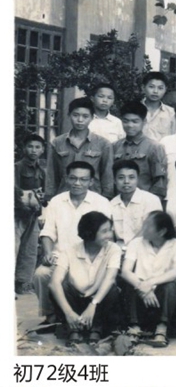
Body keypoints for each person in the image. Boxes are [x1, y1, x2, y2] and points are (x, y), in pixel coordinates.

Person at [34, 161, 112, 326]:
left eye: (83, 179)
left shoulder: (101, 202)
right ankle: (51, 316)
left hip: (90, 259)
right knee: (41, 274)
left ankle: (88, 317)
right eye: (73, 178)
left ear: (91, 181)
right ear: (66, 178)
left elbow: (105, 235)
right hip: (61, 258)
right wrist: (48, 253)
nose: (77, 183)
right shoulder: (56, 201)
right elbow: (48, 232)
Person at [49, 211, 122, 346]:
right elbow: (54, 283)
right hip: (75, 301)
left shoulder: (113, 249)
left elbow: (110, 278)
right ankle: (73, 330)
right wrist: (69, 312)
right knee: (61, 286)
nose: (110, 235)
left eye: (110, 230)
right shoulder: (70, 251)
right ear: (90, 233)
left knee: (111, 288)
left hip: (98, 301)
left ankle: (96, 329)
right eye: (104, 231)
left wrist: (93, 304)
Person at [119, 211, 176, 348]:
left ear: (161, 231)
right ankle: (135, 327)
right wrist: (142, 287)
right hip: (139, 298)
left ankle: (162, 329)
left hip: (163, 299)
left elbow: (175, 272)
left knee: (171, 285)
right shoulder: (136, 243)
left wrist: (149, 283)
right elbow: (125, 271)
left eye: (148, 226)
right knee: (130, 283)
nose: (143, 228)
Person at [45, 97, 114, 200]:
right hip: (64, 198)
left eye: (85, 116)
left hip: (93, 198)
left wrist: (106, 199)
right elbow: (51, 175)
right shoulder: (57, 143)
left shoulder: (103, 144)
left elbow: (107, 176)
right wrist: (49, 198)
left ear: (92, 117)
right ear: (69, 115)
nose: (80, 120)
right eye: (75, 115)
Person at [113, 101, 168, 200]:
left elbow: (159, 183)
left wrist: (152, 204)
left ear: (144, 122)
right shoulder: (114, 146)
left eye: (135, 121)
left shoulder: (154, 147)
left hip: (144, 202)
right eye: (125, 121)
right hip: (118, 201)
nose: (130, 125)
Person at [15, 133, 46, 295]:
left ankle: (22, 282)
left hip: (33, 215)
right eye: (30, 146)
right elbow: (13, 189)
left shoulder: (42, 170)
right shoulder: (17, 167)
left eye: (37, 147)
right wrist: (26, 198)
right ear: (24, 149)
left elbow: (45, 193)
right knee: (13, 247)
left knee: (30, 249)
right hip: (17, 214)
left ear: (42, 150)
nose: (34, 150)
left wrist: (41, 206)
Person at [108, 160, 163, 246]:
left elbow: (153, 231)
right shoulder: (111, 204)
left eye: (131, 177)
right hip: (119, 249)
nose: (126, 181)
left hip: (145, 248)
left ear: (138, 179)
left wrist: (131, 248)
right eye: (121, 178)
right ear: (114, 180)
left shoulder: (151, 200)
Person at [140, 71, 176, 142]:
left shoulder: (172, 113)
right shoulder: (134, 110)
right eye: (151, 87)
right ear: (143, 87)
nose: (155, 91)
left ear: (165, 89)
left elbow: (175, 137)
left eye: (160, 88)